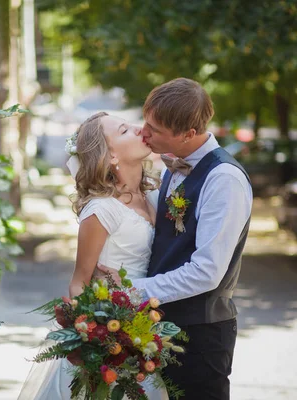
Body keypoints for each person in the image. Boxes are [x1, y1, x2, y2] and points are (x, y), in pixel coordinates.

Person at [98, 78, 253, 399]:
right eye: (145, 122)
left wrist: (131, 290)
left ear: (189, 135)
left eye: (154, 129)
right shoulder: (172, 165)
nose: (144, 132)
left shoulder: (224, 179)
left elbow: (206, 272)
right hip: (158, 326)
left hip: (200, 337)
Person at [17, 111, 167, 400]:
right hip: (112, 343)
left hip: (145, 333)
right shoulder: (102, 210)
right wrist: (98, 343)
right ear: (110, 155)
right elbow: (79, 283)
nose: (140, 129)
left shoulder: (153, 195)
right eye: (125, 130)